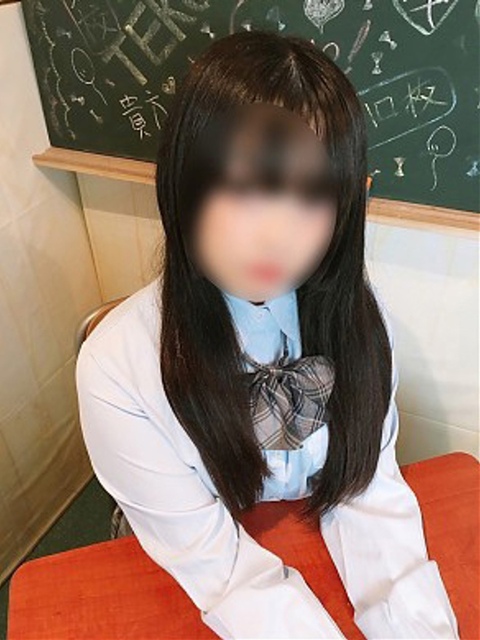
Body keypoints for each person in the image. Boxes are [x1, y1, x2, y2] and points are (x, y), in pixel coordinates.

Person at [75, 30, 460, 639]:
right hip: (184, 566)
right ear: (182, 182)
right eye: (240, 188)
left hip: (306, 536)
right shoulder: (117, 366)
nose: (276, 235)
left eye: (311, 196)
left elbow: (366, 488)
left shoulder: (358, 319)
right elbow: (212, 562)